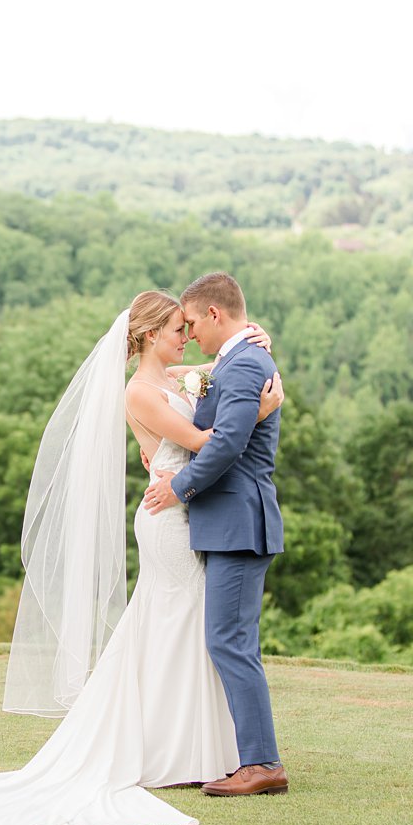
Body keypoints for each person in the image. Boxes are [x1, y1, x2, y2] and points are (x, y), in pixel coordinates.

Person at [0, 290, 282, 825]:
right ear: (151, 335)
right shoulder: (140, 391)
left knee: (185, 629)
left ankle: (193, 747)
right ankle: (181, 747)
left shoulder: (177, 377)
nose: (186, 337)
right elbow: (209, 442)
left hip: (188, 510)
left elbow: (218, 367)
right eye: (178, 330)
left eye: (189, 328)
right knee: (175, 624)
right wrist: (261, 410)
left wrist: (249, 342)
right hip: (169, 513)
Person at [143, 272, 287, 797]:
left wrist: (178, 487)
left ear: (215, 316)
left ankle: (261, 764)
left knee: (230, 640)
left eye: (193, 324)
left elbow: (226, 444)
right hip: (226, 524)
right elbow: (183, 377)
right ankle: (250, 757)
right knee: (229, 639)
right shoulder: (235, 358)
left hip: (238, 523)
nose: (191, 335)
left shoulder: (246, 361)